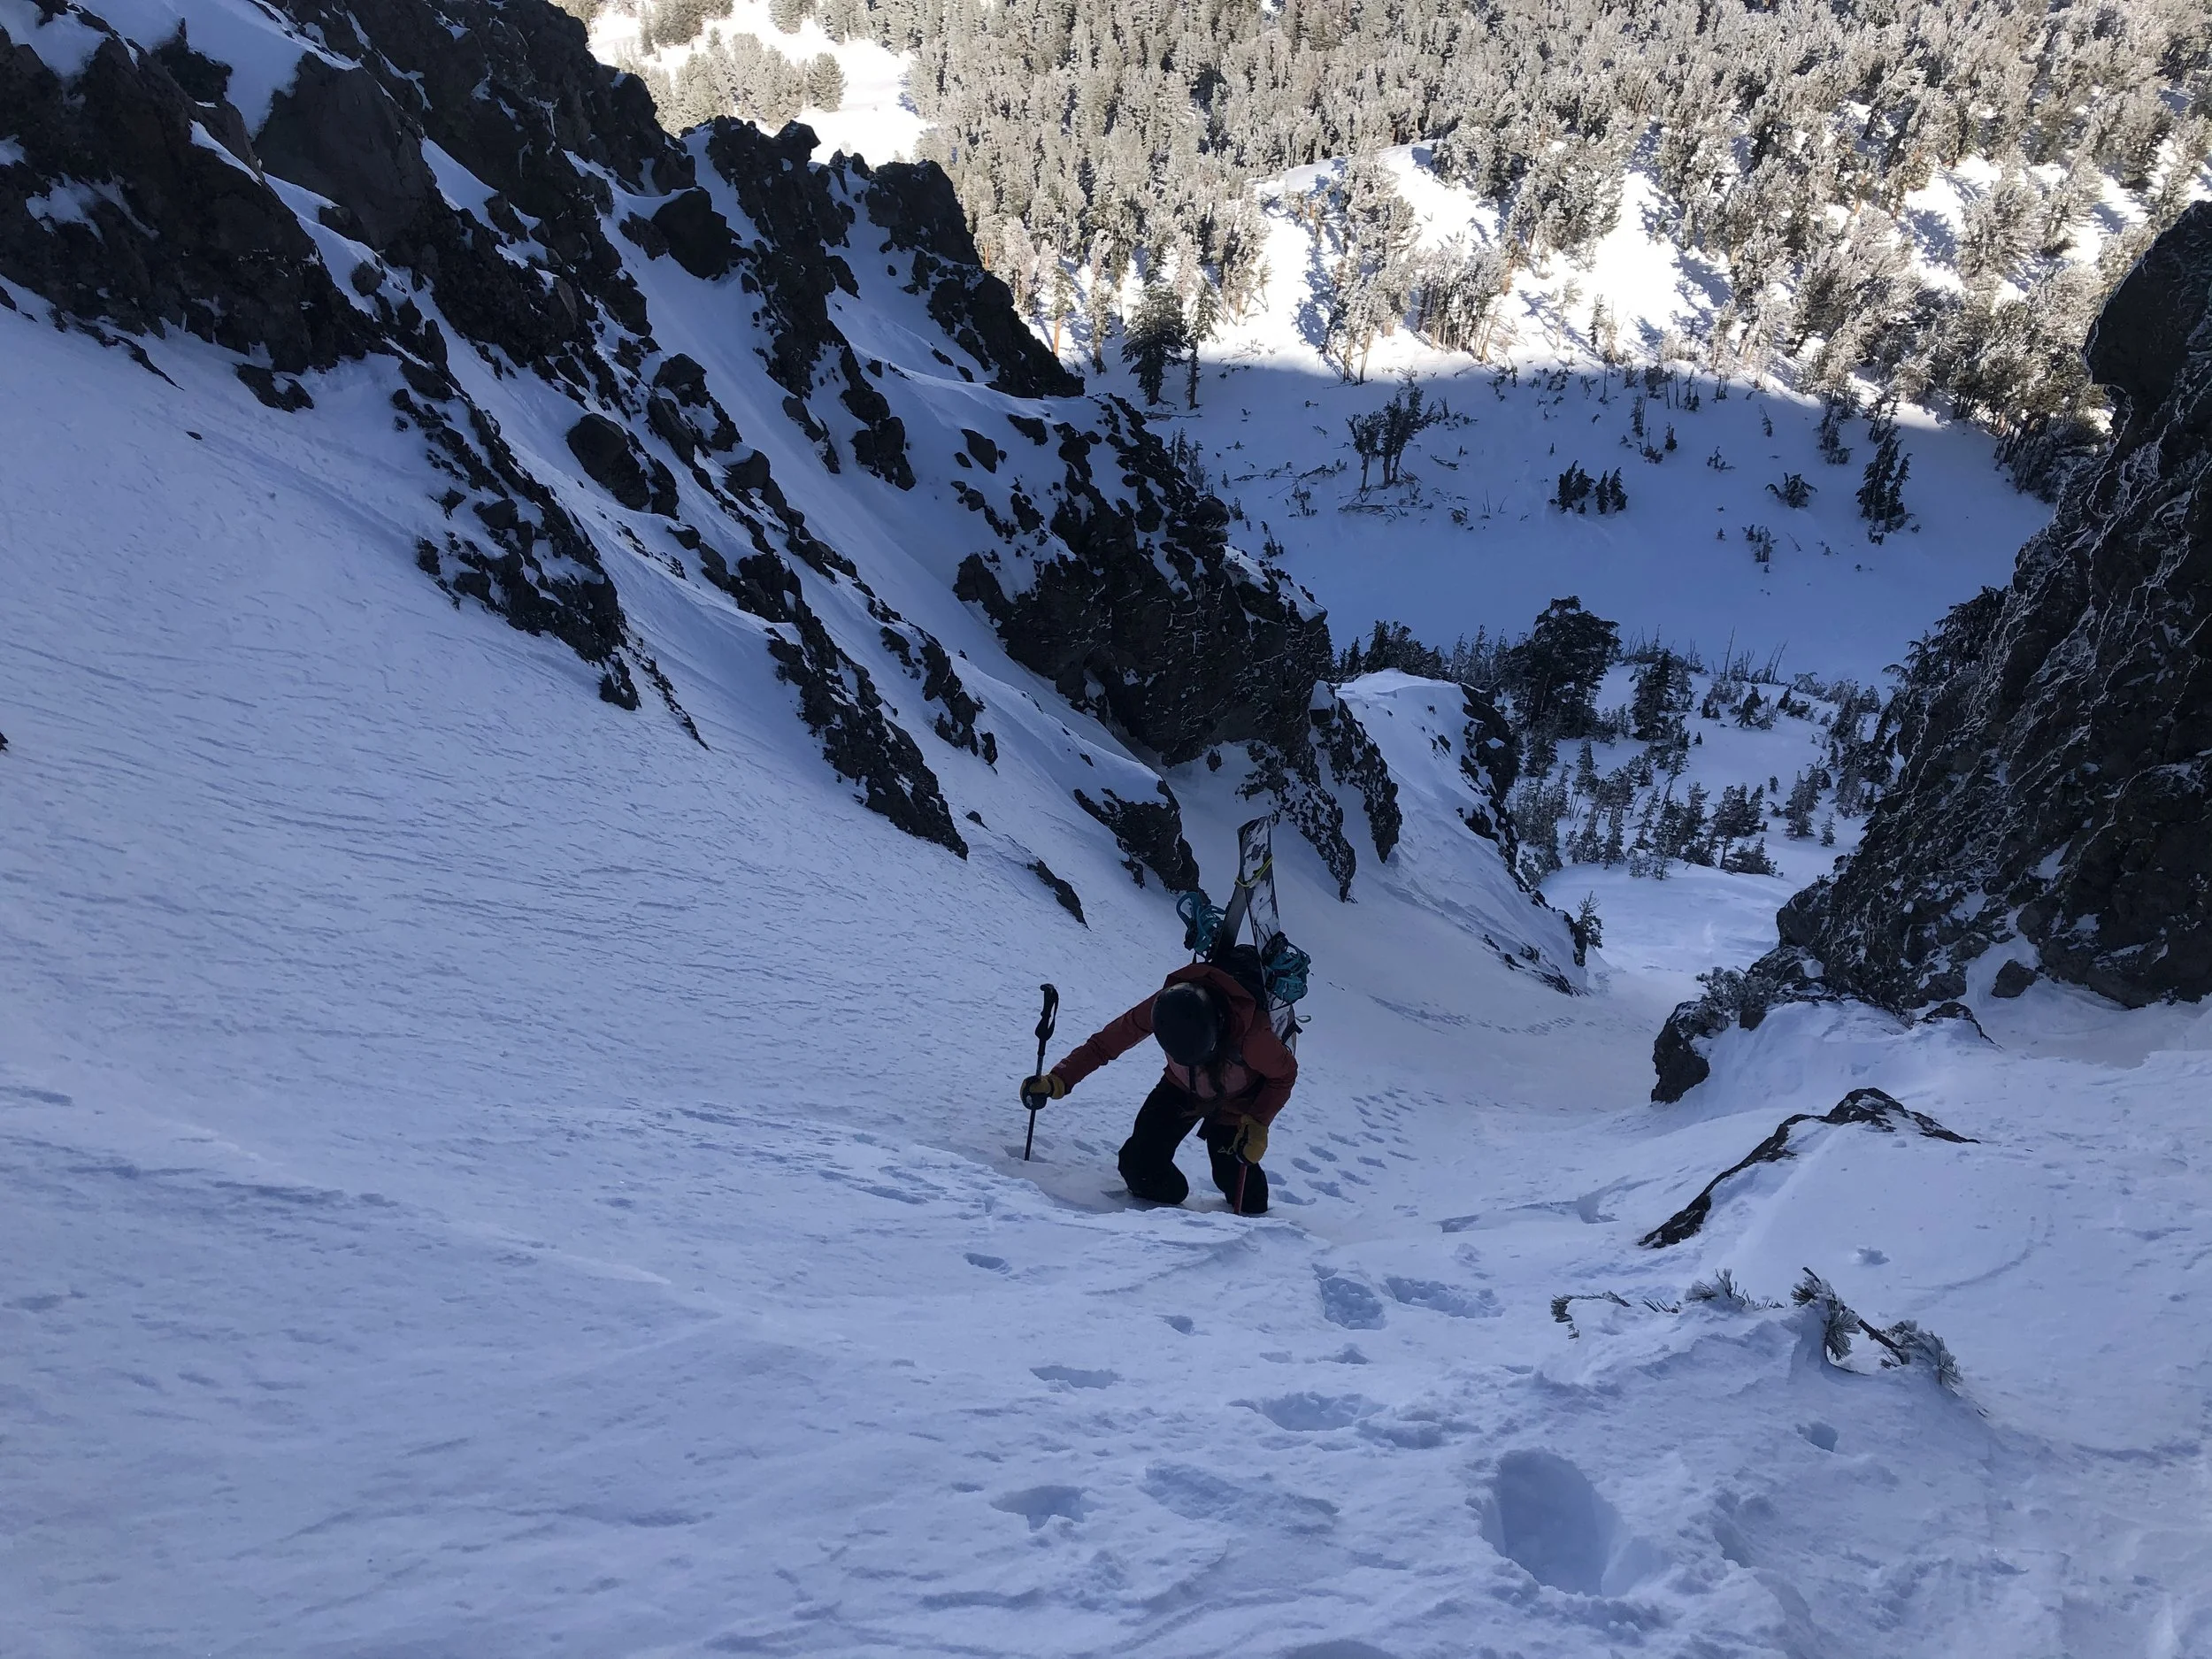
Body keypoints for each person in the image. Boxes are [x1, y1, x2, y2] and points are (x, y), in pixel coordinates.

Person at [1021, 959, 1295, 1215]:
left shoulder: (1254, 1037)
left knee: (1244, 1195)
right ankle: (1170, 1212)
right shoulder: (1164, 1007)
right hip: (1180, 1087)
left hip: (1236, 1103)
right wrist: (1058, 1079)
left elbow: (1283, 1074)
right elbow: (1107, 1043)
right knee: (1139, 1165)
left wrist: (1257, 1122)